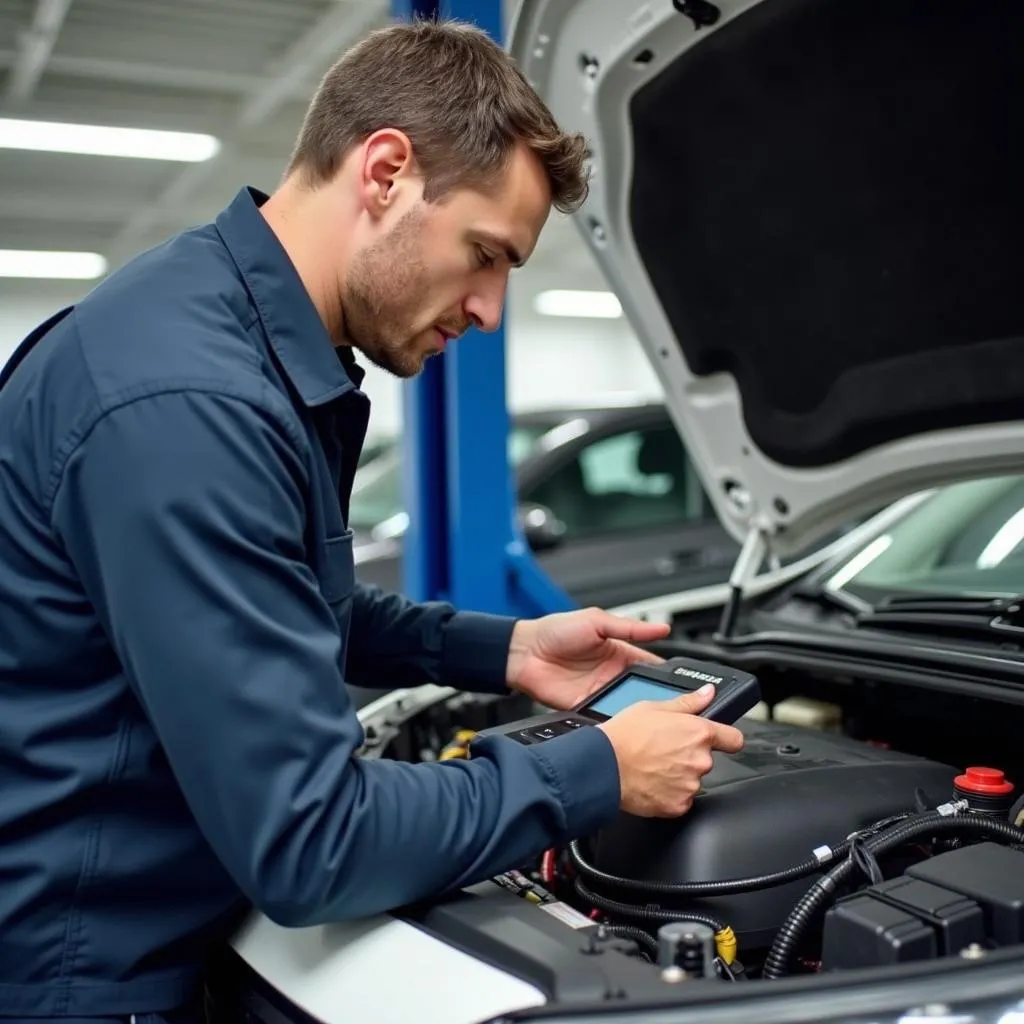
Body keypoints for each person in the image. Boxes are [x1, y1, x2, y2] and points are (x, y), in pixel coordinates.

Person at [0, 18, 745, 1023]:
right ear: (385, 170)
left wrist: (506, 648)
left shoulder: (221, 337)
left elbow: (288, 600)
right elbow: (311, 841)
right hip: (84, 977)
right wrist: (596, 769)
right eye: (485, 254)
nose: (488, 309)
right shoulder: (190, 403)